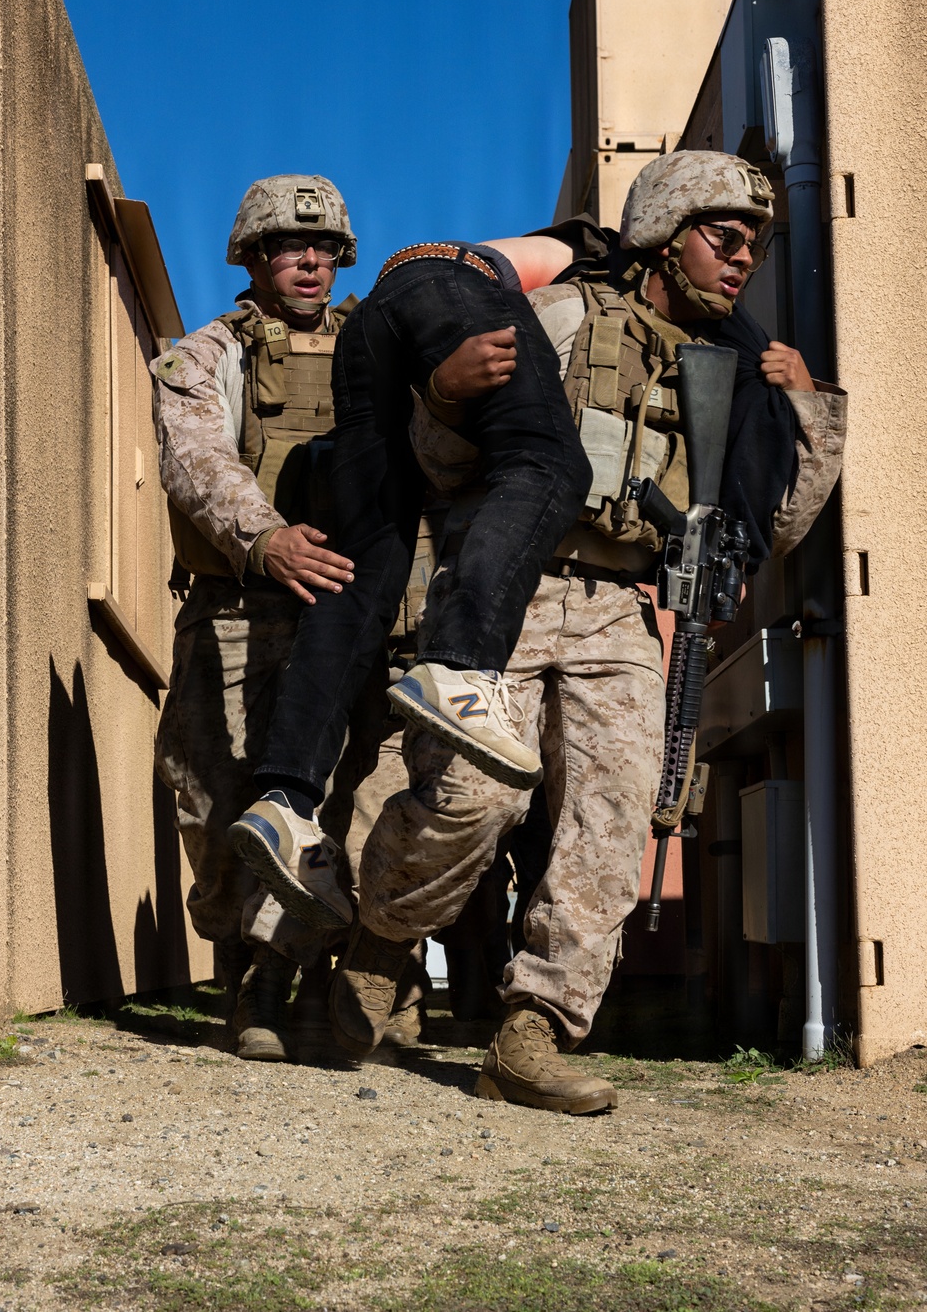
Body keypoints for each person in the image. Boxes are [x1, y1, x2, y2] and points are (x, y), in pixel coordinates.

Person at [327, 150, 848, 1113]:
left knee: (612, 816)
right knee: (469, 796)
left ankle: (533, 1029)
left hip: (620, 607)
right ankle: (379, 943)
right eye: (723, 239)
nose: (741, 263)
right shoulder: (563, 316)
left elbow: (765, 526)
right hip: (504, 583)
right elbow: (440, 459)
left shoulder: (735, 376)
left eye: (753, 249)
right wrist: (443, 391)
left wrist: (809, 412)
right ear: (661, 233)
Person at [228, 230, 596, 929]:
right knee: (549, 465)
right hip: (446, 282)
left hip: (372, 331)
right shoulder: (593, 257)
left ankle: (286, 800)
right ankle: (461, 666)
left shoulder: (372, 306)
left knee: (366, 567)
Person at [153, 174, 388, 1061]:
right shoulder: (208, 354)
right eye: (290, 245)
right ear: (252, 256)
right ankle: (246, 962)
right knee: (217, 800)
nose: (310, 260)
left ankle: (286, 975)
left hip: (346, 610)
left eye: (324, 246)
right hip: (237, 604)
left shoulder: (375, 344)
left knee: (341, 792)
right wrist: (267, 537)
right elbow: (197, 461)